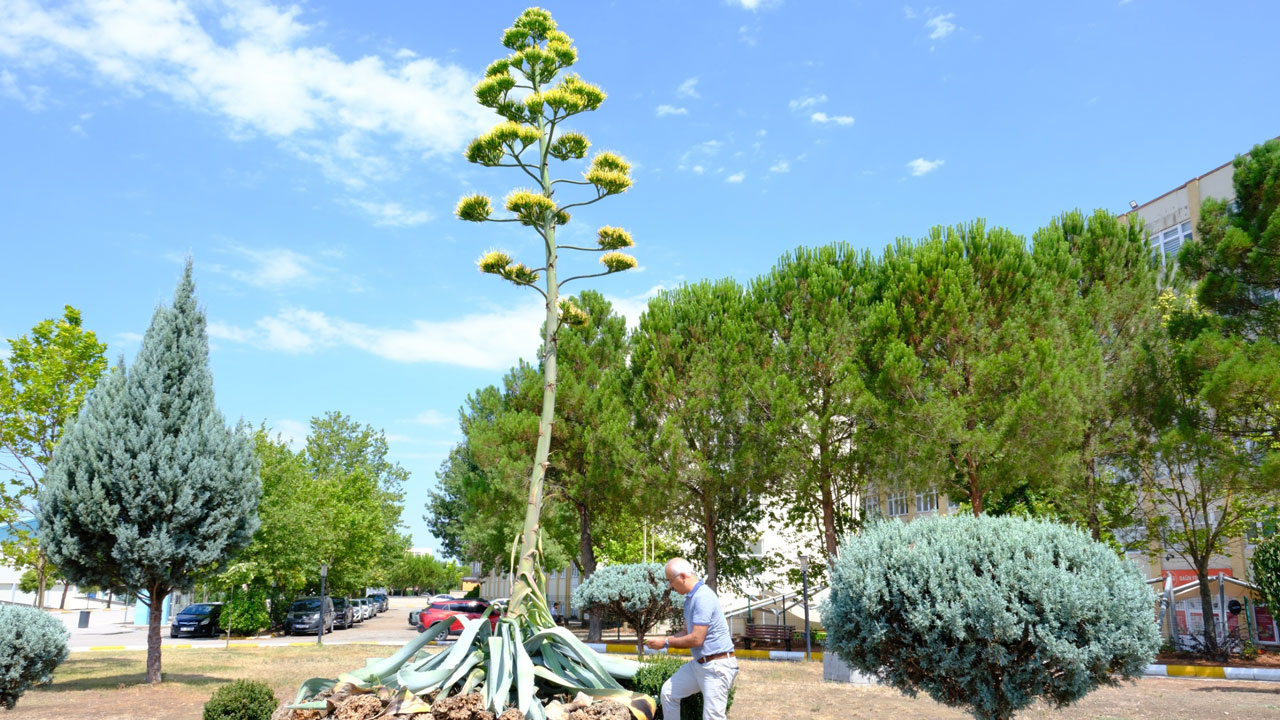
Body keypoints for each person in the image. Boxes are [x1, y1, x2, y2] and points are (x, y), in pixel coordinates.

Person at [644, 558, 737, 720]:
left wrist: (665, 643)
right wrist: (663, 639)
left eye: (670, 581)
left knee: (713, 717)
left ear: (683, 576)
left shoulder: (703, 596)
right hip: (700, 664)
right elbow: (686, 632)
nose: (670, 586)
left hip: (716, 666)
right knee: (668, 692)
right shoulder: (690, 598)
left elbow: (696, 639)